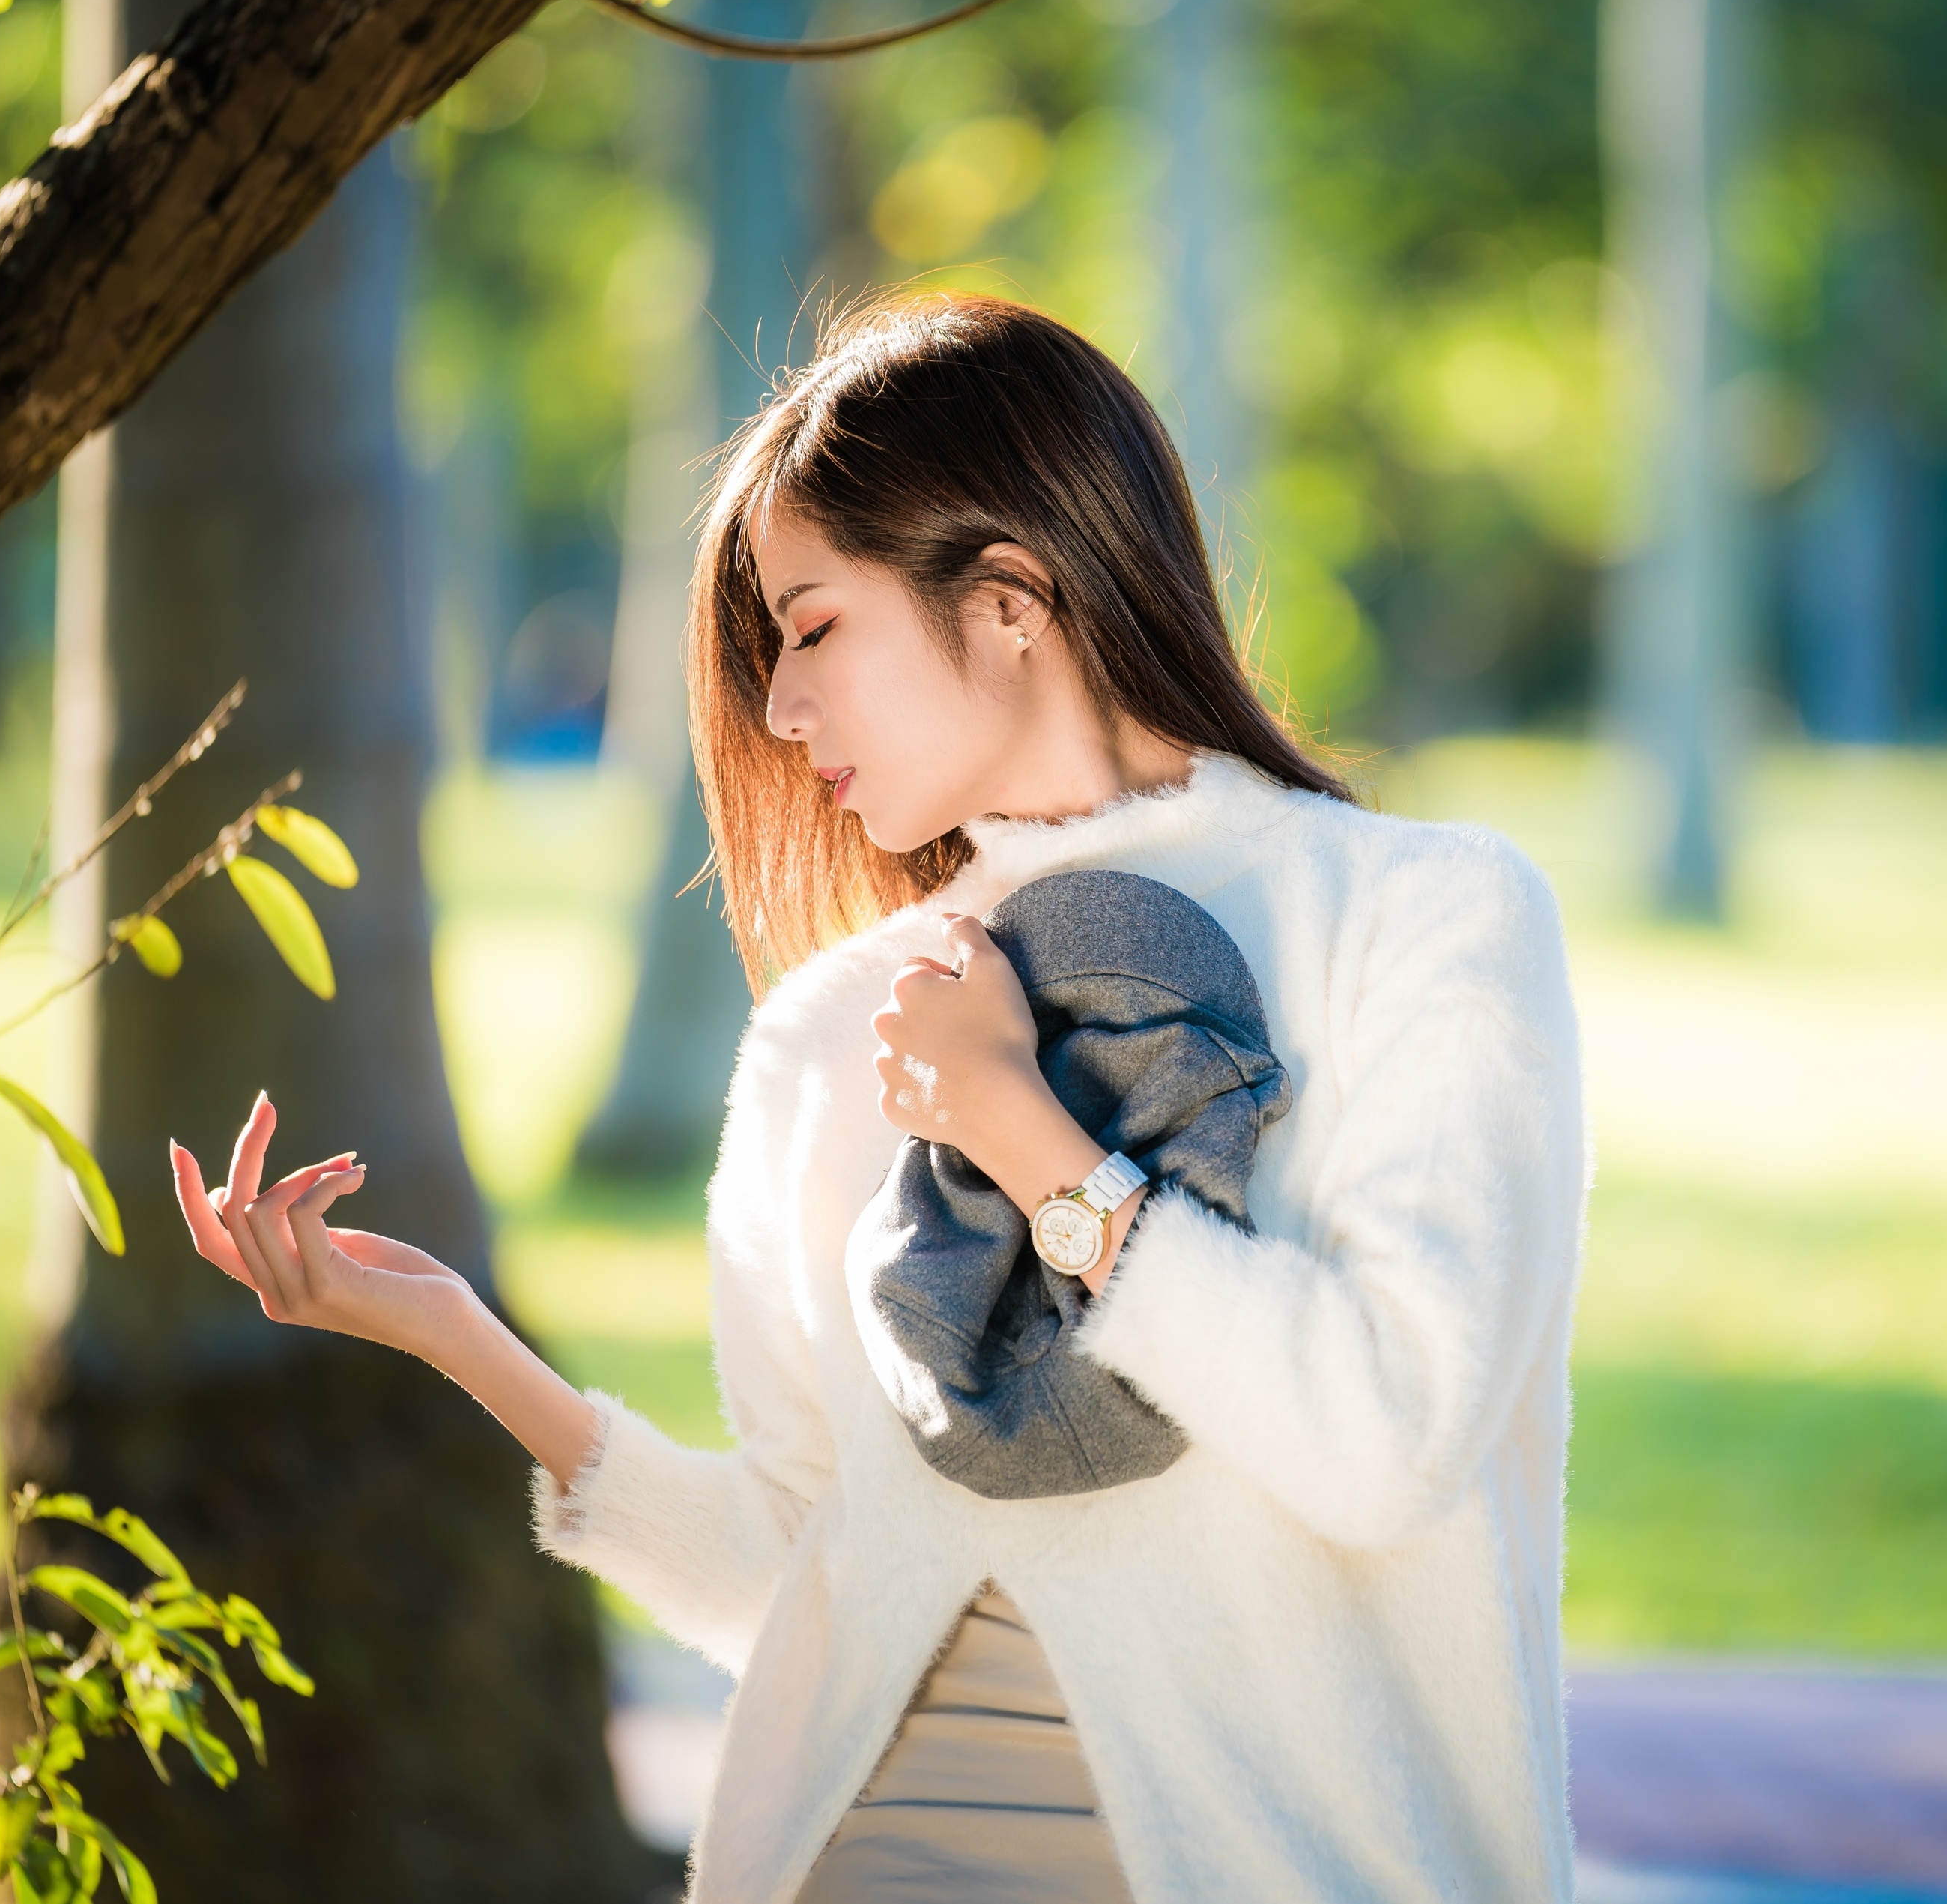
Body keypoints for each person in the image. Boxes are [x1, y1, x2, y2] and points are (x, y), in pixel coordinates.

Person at [172, 293, 1589, 1902]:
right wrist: (449, 1333)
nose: (778, 710)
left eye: (814, 625)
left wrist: (1030, 1142)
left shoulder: (1422, 922)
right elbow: (806, 1581)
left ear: (1008, 598)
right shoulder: (833, 1037)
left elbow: (1386, 1439)